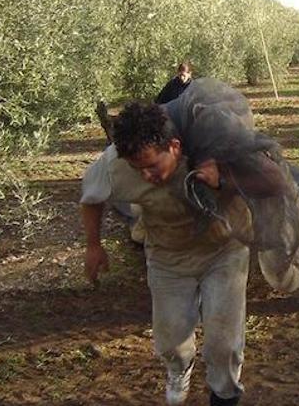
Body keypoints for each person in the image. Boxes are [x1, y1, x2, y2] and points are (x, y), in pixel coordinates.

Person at [80, 101, 285, 406]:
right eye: (138, 169)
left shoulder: (213, 146)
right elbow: (91, 198)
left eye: (152, 165)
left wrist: (223, 181)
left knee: (223, 342)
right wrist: (94, 246)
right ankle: (179, 368)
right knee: (171, 340)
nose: (146, 175)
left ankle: (225, 393)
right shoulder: (114, 164)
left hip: (224, 250)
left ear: (174, 147)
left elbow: (275, 181)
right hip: (168, 257)